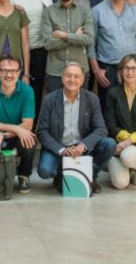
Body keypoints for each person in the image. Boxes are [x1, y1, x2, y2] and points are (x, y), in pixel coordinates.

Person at [36, 62, 115, 193]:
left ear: (82, 80)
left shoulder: (92, 99)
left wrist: (83, 145)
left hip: (82, 148)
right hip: (59, 147)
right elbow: (41, 132)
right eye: (68, 75)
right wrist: (62, 150)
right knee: (45, 170)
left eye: (76, 76)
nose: (72, 79)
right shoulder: (49, 100)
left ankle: (90, 176)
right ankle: (62, 176)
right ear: (62, 78)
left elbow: (101, 129)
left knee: (109, 144)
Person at [0, 54, 37, 194]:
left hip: (14, 137)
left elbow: (27, 125)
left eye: (13, 71)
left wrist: (3, 135)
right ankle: (2, 174)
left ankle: (24, 175)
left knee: (29, 140)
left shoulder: (27, 91)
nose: (9, 75)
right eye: (5, 70)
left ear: (19, 72)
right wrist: (14, 129)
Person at [88, 0, 136, 105]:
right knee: (108, 106)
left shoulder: (135, 10)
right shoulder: (97, 11)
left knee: (131, 105)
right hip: (108, 69)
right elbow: (90, 44)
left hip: (132, 67)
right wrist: (96, 70)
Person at [103, 54, 136, 189]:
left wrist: (129, 141)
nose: (130, 72)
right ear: (121, 71)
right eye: (126, 68)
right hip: (119, 145)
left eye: (133, 68)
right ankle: (124, 167)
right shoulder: (113, 93)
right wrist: (134, 139)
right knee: (120, 184)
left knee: (128, 157)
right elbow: (110, 125)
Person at [13, 0, 55, 115]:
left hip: (40, 49)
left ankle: (34, 124)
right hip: (19, 51)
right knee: (18, 89)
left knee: (36, 90)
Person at [42, 0, 94, 92]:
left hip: (79, 71)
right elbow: (47, 43)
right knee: (54, 104)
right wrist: (75, 37)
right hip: (55, 72)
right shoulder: (48, 12)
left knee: (80, 104)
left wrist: (63, 35)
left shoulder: (85, 11)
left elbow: (89, 39)